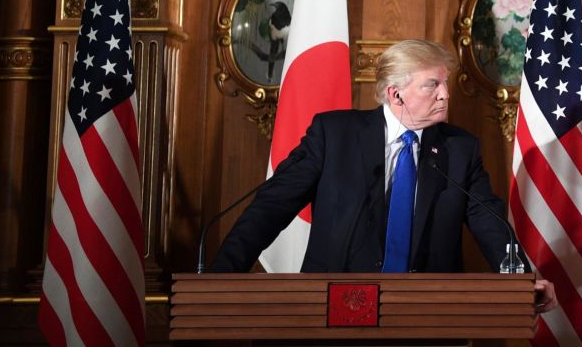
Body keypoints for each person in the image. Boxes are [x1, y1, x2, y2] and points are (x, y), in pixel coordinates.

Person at [212, 39, 556, 311]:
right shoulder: (335, 135)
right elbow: (271, 207)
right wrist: (221, 278)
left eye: (445, 83)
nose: (446, 94)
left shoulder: (459, 149)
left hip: (428, 312)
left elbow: (488, 219)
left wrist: (521, 279)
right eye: (432, 85)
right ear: (396, 94)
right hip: (333, 307)